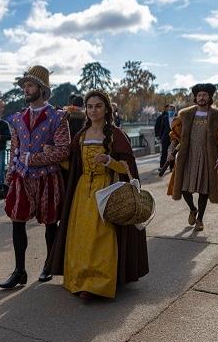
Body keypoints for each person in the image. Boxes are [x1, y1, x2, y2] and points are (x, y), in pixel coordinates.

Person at [48, 90, 148, 300]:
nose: (93, 110)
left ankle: (98, 282)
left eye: (98, 106)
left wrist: (109, 162)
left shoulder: (116, 135)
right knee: (81, 236)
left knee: (101, 236)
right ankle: (80, 278)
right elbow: (73, 165)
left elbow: (128, 170)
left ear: (106, 109)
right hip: (82, 191)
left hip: (105, 190)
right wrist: (55, 157)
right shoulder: (81, 136)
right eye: (90, 106)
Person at [0, 65, 70, 288]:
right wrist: (8, 178)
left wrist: (33, 158)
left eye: (30, 85)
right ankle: (19, 271)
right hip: (22, 177)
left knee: (51, 222)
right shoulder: (18, 118)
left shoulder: (57, 117)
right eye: (24, 86)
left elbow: (64, 150)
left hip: (48, 177)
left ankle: (49, 265)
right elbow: (15, 151)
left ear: (42, 88)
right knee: (17, 220)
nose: (26, 89)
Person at [166, 83, 218, 232]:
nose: (202, 97)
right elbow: (175, 137)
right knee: (183, 188)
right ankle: (192, 208)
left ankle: (200, 220)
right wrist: (171, 150)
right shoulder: (185, 115)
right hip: (187, 157)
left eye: (204, 95)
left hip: (207, 158)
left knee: (204, 190)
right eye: (199, 95)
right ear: (195, 98)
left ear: (209, 97)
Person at [155, 103, 176, 172]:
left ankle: (171, 167)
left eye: (172, 110)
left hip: (174, 138)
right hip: (165, 137)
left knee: (173, 153)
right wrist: (160, 137)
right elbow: (162, 128)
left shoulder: (177, 118)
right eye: (169, 110)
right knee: (164, 152)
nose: (170, 111)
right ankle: (162, 167)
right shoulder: (164, 118)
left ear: (175, 110)